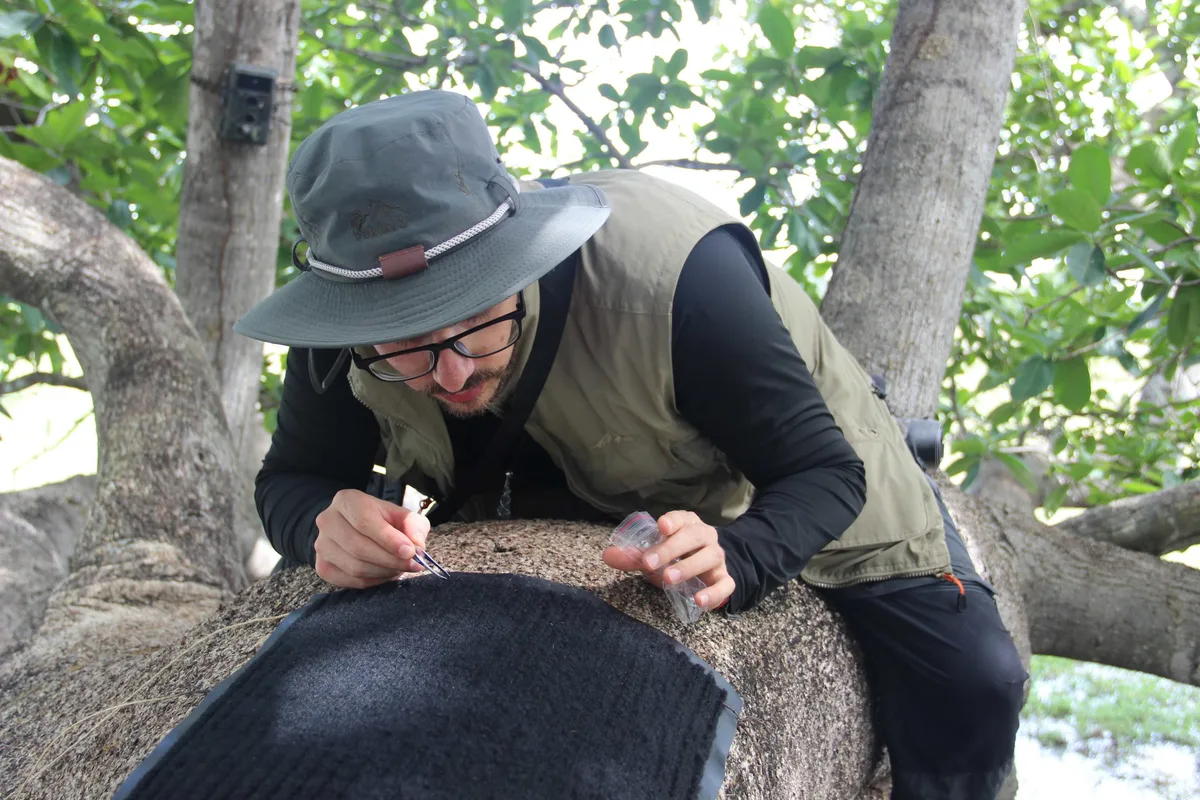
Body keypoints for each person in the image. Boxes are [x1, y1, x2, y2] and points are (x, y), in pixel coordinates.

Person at [234, 90, 1027, 799]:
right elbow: (293, 480)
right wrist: (319, 528)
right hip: (541, 468)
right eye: (402, 344)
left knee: (975, 683)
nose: (448, 374)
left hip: (772, 467)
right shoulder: (344, 326)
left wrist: (739, 557)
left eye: (471, 317)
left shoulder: (680, 279)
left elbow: (823, 470)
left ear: (519, 255)